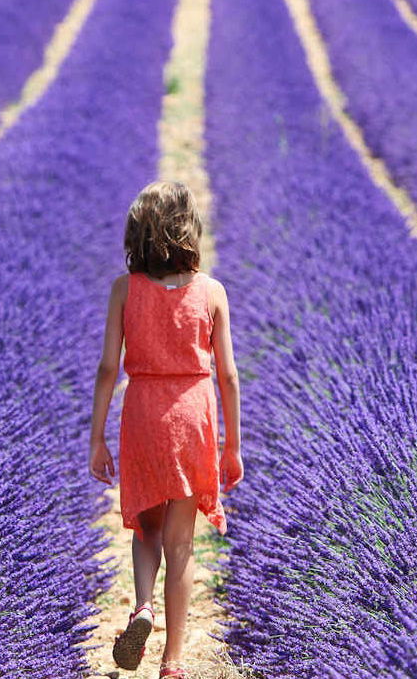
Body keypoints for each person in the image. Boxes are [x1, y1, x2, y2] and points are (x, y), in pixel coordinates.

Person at [88, 180, 243, 678]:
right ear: (190, 230)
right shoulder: (212, 292)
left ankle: (142, 607)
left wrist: (96, 437)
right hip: (193, 415)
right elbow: (228, 376)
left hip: (143, 414)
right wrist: (232, 447)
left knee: (146, 528)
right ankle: (173, 661)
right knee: (181, 544)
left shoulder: (124, 290)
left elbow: (108, 368)